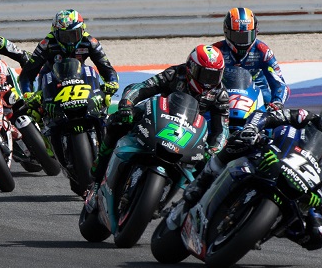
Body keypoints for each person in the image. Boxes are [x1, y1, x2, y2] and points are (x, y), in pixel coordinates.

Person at [167, 97, 322, 251]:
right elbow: (267, 116)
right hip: (272, 157)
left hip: (303, 190)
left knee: (318, 236)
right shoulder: (306, 118)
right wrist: (252, 129)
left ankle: (267, 229)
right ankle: (202, 181)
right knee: (239, 140)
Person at [94, 44, 229, 180]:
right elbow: (143, 87)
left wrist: (214, 149)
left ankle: (192, 192)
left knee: (210, 164)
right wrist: (127, 104)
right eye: (205, 74)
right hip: (160, 115)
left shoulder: (220, 95)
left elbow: (222, 129)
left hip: (190, 130)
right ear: (191, 68)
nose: (208, 82)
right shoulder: (175, 74)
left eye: (214, 76)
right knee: (117, 122)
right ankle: (99, 167)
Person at [18, 10, 118, 96]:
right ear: (55, 33)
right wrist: (28, 94)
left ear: (82, 30)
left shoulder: (90, 42)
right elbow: (27, 74)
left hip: (79, 75)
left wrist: (112, 83)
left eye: (74, 34)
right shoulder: (46, 44)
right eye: (64, 36)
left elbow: (107, 68)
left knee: (101, 98)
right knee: (37, 106)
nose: (70, 41)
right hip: (51, 77)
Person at [212, 7, 289, 110]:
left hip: (259, 97)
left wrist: (277, 102)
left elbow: (279, 83)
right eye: (237, 36)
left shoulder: (263, 51)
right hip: (224, 98)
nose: (242, 41)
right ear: (226, 32)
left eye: (247, 36)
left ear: (255, 32)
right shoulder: (215, 51)